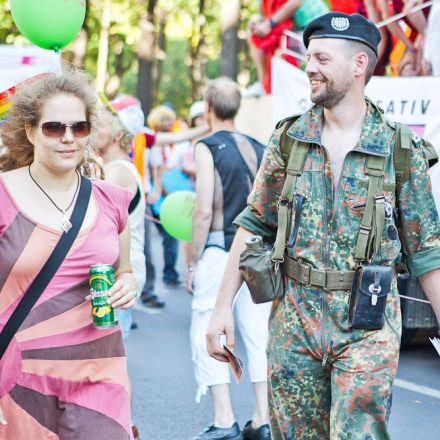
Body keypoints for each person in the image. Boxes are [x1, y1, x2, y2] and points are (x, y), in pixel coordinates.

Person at [207, 12, 440, 439]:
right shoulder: (288, 139)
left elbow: (427, 252)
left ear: (359, 65)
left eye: (321, 58)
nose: (309, 67)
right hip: (293, 322)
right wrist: (221, 307)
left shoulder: (398, 147)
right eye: (308, 58)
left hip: (367, 328)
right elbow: (254, 224)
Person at [0, 70, 137, 438]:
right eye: (53, 127)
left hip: (99, 373)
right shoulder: (2, 196)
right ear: (30, 131)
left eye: (79, 127)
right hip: (19, 378)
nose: (67, 138)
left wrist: (127, 285)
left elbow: (124, 270)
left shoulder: (112, 200)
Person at [187, 77, 272, 440]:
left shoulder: (206, 146)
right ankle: (262, 417)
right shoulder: (260, 145)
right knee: (258, 333)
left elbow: (204, 208)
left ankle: (224, 420)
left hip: (221, 248)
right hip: (258, 253)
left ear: (208, 108)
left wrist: (192, 260)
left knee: (208, 325)